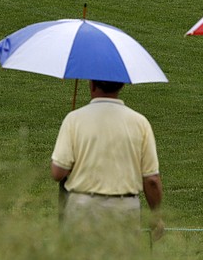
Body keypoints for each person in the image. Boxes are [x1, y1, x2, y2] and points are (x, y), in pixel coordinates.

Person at [51, 79, 164, 240]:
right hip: (124, 211)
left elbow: (57, 172)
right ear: (122, 85)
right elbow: (151, 180)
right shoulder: (140, 123)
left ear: (91, 85)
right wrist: (156, 215)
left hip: (82, 208)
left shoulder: (74, 119)